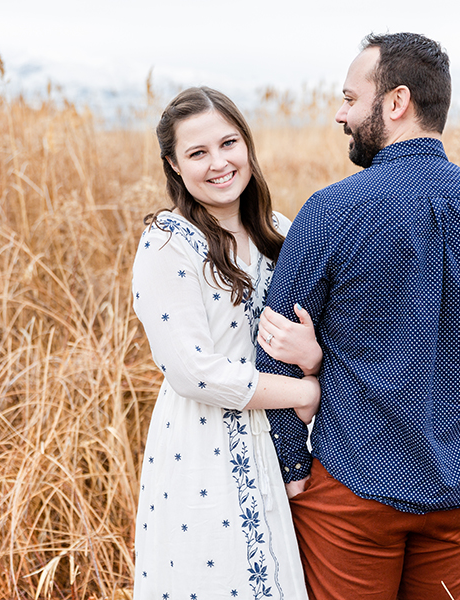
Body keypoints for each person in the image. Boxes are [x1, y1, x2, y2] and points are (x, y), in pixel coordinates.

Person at [256, 32, 460, 600]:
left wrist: (294, 469)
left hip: (350, 492)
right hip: (457, 495)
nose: (340, 114)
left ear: (396, 102)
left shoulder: (331, 212)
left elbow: (275, 349)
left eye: (349, 98)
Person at [131, 86, 323, 600]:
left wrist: (313, 356)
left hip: (287, 447)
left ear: (247, 146)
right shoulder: (168, 243)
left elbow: (327, 333)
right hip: (203, 444)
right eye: (197, 153)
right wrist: (305, 394)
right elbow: (194, 372)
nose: (218, 163)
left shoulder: (282, 230)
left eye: (228, 143)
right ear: (173, 166)